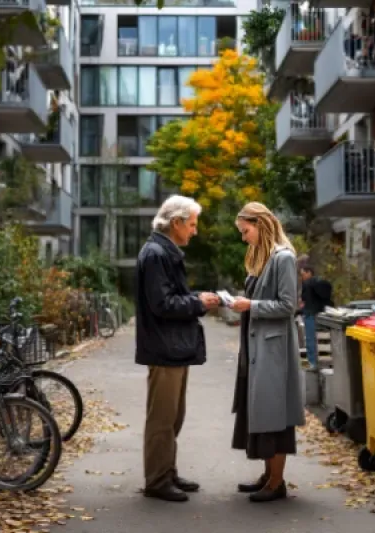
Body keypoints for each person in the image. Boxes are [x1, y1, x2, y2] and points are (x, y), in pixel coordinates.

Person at [135, 195, 220, 503]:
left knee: (173, 415)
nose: (195, 231)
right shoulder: (157, 253)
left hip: (170, 346)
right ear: (176, 223)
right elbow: (162, 304)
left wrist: (197, 299)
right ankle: (158, 479)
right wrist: (197, 302)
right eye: (193, 224)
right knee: (163, 418)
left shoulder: (161, 251)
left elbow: (167, 298)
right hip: (165, 347)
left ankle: (166, 472)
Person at [228, 202, 306, 503]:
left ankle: (276, 482)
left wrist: (251, 306)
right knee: (261, 412)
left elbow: (288, 305)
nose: (244, 237)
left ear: (260, 224)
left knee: (274, 415)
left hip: (273, 351)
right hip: (259, 348)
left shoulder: (283, 258)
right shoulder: (266, 259)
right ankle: (268, 476)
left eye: (245, 231)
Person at [299, 265, 333, 372]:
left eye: (303, 274)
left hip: (310, 313)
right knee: (323, 339)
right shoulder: (320, 282)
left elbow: (305, 300)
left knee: (310, 339)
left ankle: (312, 363)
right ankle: (326, 362)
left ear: (309, 273)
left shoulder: (307, 284)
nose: (302, 277)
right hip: (320, 313)